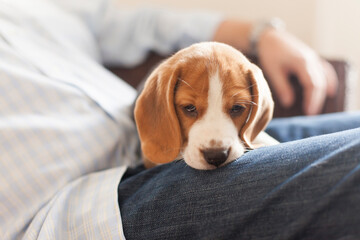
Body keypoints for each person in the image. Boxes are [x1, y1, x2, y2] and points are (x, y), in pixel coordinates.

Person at [0, 0, 358, 239]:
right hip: (95, 207)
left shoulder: (28, 9)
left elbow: (139, 24)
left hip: (198, 140)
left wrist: (263, 33)